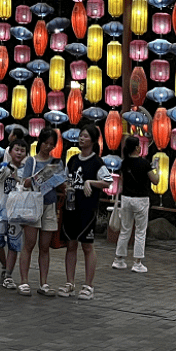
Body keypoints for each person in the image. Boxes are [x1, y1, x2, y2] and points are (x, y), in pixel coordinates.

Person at [59, 124, 112, 300]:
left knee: (87, 245)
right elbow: (66, 179)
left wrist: (90, 182)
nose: (82, 139)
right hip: (71, 207)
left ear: (93, 140)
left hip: (87, 209)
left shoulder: (97, 162)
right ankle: (69, 283)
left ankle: (88, 285)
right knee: (71, 244)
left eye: (86, 136)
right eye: (81, 135)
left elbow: (108, 181)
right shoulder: (73, 160)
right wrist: (66, 187)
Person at [17, 127, 66, 295]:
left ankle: (43, 283)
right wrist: (40, 176)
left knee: (45, 246)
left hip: (50, 204)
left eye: (51, 144)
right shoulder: (31, 161)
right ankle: (24, 281)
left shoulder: (56, 163)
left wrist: (62, 181)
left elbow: (62, 184)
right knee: (29, 244)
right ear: (40, 142)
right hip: (33, 204)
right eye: (46, 143)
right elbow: (24, 182)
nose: (48, 147)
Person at [112, 135, 159, 274]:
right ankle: (137, 262)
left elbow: (121, 182)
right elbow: (155, 181)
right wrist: (156, 169)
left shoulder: (124, 163)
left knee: (125, 230)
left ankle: (118, 259)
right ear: (138, 147)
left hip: (126, 198)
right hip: (141, 200)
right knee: (140, 231)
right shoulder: (144, 164)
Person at [0, 138, 29, 290]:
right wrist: (0, 177)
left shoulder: (27, 170)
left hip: (17, 214)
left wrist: (19, 179)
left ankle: (8, 276)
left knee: (14, 244)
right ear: (10, 151)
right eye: (16, 149)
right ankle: (5, 266)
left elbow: (31, 188)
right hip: (1, 210)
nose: (19, 152)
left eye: (22, 150)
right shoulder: (3, 166)